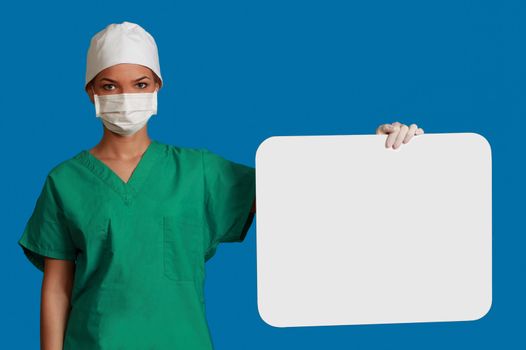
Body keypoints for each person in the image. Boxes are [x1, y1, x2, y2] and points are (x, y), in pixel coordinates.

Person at [17, 21, 424, 350]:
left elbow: (305, 190)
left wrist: (378, 155)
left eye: (140, 84)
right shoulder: (65, 181)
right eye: (110, 86)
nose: (126, 96)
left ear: (158, 87)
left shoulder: (200, 172)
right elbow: (56, 288)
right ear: (91, 92)